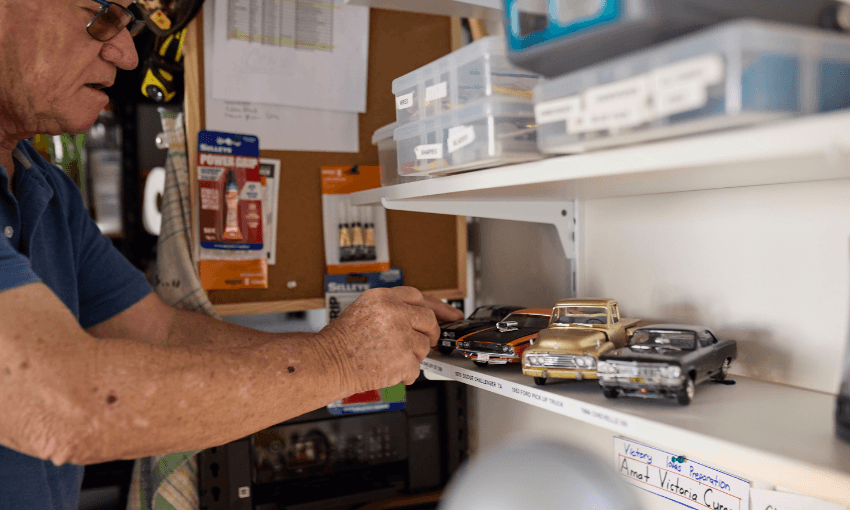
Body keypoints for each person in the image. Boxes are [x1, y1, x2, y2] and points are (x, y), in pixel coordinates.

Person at [0, 1, 463, 508]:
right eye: (100, 16)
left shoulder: (46, 188)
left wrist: (353, 348)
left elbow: (164, 334)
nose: (128, 55)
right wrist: (343, 359)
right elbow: (67, 405)